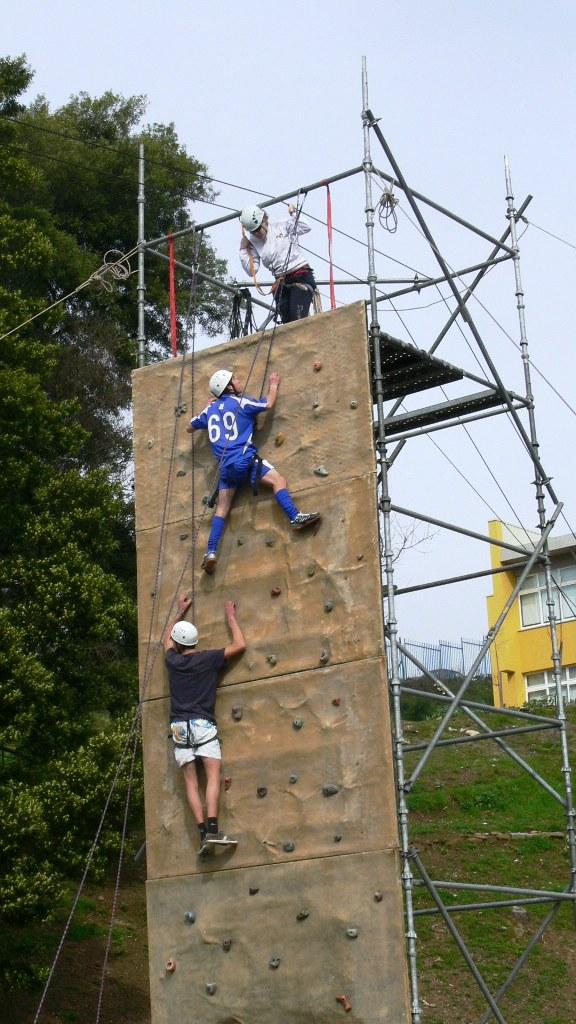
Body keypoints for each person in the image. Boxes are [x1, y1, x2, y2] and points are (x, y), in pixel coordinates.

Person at [187, 369, 321, 575]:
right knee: (278, 481)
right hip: (244, 461)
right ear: (229, 387)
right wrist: (274, 384)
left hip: (225, 468)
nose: (240, 381)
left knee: (222, 508)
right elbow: (267, 404)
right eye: (236, 380)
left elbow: (190, 427)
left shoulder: (209, 412)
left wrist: (206, 407)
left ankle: (211, 551)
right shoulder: (241, 403)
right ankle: (294, 517)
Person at [163, 594, 246, 852]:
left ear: (178, 644)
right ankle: (213, 831)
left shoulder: (173, 662)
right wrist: (231, 616)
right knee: (213, 777)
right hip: (202, 725)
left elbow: (165, 640)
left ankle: (202, 835)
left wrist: (180, 612)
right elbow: (240, 645)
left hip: (179, 727)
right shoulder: (209, 659)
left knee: (191, 783)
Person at [239, 204, 316, 323]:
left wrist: (294, 213)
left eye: (259, 228)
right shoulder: (253, 242)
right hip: (281, 283)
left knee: (297, 321)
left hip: (300, 276)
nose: (257, 233)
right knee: (287, 324)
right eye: (253, 231)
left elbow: (305, 227)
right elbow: (251, 270)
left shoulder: (280, 226)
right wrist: (243, 250)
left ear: (264, 220)